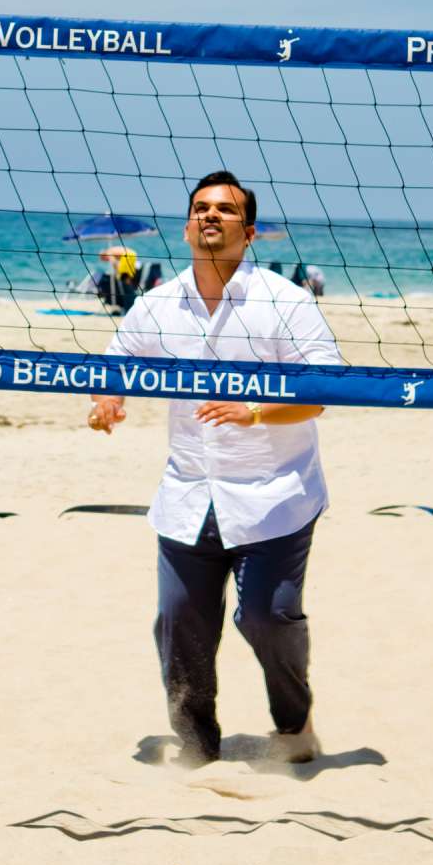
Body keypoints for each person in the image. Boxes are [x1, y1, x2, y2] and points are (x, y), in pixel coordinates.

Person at [86, 170, 341, 766]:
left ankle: (295, 724)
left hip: (276, 492)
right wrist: (107, 398)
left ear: (247, 232)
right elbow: (116, 361)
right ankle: (198, 747)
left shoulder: (287, 301)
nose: (210, 217)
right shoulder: (156, 303)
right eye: (201, 208)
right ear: (186, 226)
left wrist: (254, 413)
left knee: (266, 617)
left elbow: (324, 387)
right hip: (189, 492)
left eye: (224, 211)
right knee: (179, 626)